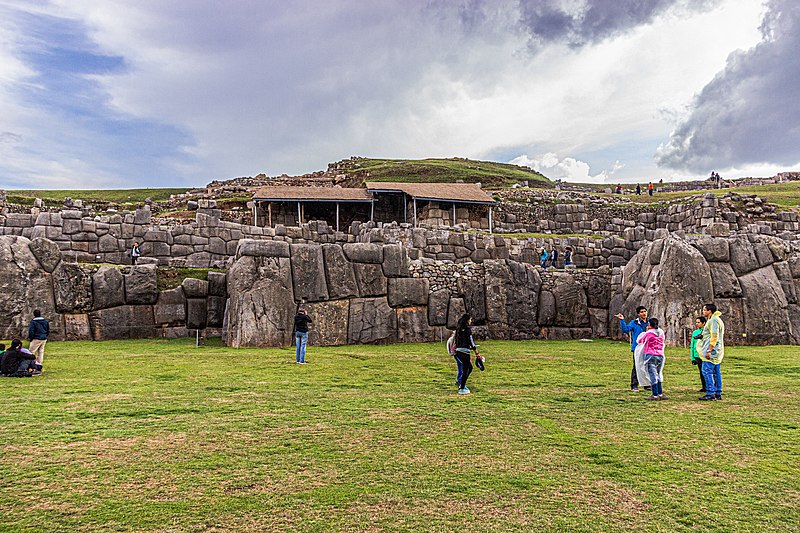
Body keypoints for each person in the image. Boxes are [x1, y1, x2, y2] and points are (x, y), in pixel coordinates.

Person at [616, 306, 649, 392]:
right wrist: (622, 320)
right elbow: (625, 329)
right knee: (637, 366)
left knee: (647, 366)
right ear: (638, 314)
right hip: (638, 348)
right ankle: (634, 385)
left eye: (645, 311)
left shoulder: (649, 323)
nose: (644, 313)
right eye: (641, 312)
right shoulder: (634, 323)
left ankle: (647, 384)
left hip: (648, 347)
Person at [699, 303, 725, 401]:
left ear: (710, 311)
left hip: (712, 350)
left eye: (705, 310)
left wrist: (709, 350)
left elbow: (714, 336)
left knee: (707, 371)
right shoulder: (715, 320)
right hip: (717, 350)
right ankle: (717, 392)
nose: (703, 312)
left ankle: (710, 392)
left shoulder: (714, 320)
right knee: (716, 372)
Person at [639, 318, 667, 400]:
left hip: (650, 355)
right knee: (658, 373)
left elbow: (640, 340)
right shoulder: (661, 332)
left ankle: (655, 394)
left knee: (652, 375)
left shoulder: (649, 333)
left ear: (649, 325)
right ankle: (660, 393)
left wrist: (646, 331)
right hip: (660, 355)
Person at [454, 314, 478, 395]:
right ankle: (462, 387)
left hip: (458, 351)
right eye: (470, 319)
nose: (471, 321)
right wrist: (476, 352)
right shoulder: (468, 330)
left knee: (469, 368)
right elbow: (471, 341)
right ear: (467, 320)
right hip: (465, 352)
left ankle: (461, 383)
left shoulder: (458, 329)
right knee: (466, 370)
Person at [690, 316, 708, 393]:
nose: (697, 324)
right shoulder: (695, 332)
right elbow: (692, 345)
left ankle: (709, 386)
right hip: (697, 354)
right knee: (701, 372)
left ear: (703, 323)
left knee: (706, 371)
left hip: (704, 354)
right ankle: (704, 386)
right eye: (696, 322)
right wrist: (692, 357)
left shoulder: (706, 332)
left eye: (698, 322)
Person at [28, 309, 49, 373]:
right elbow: (48, 329)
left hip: (36, 338)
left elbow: (31, 331)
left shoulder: (33, 322)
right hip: (44, 338)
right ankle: (39, 365)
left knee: (31, 352)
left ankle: (31, 366)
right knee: (41, 352)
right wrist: (45, 335)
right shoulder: (45, 321)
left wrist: (31, 338)